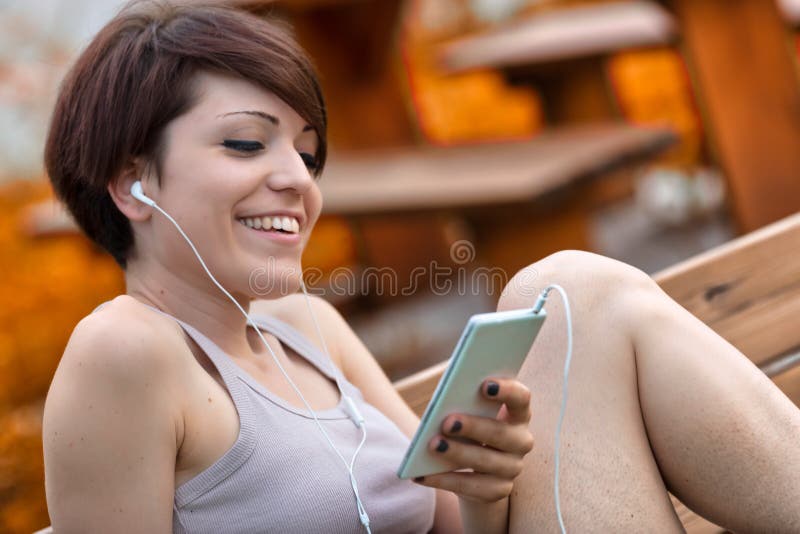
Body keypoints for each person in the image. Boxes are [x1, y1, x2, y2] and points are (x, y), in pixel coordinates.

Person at [41, 2, 800, 533]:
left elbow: (453, 516)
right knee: (562, 288)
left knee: (567, 290)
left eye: (305, 153)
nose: (297, 180)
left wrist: (482, 481)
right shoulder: (127, 353)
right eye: (246, 143)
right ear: (130, 184)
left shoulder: (310, 328)